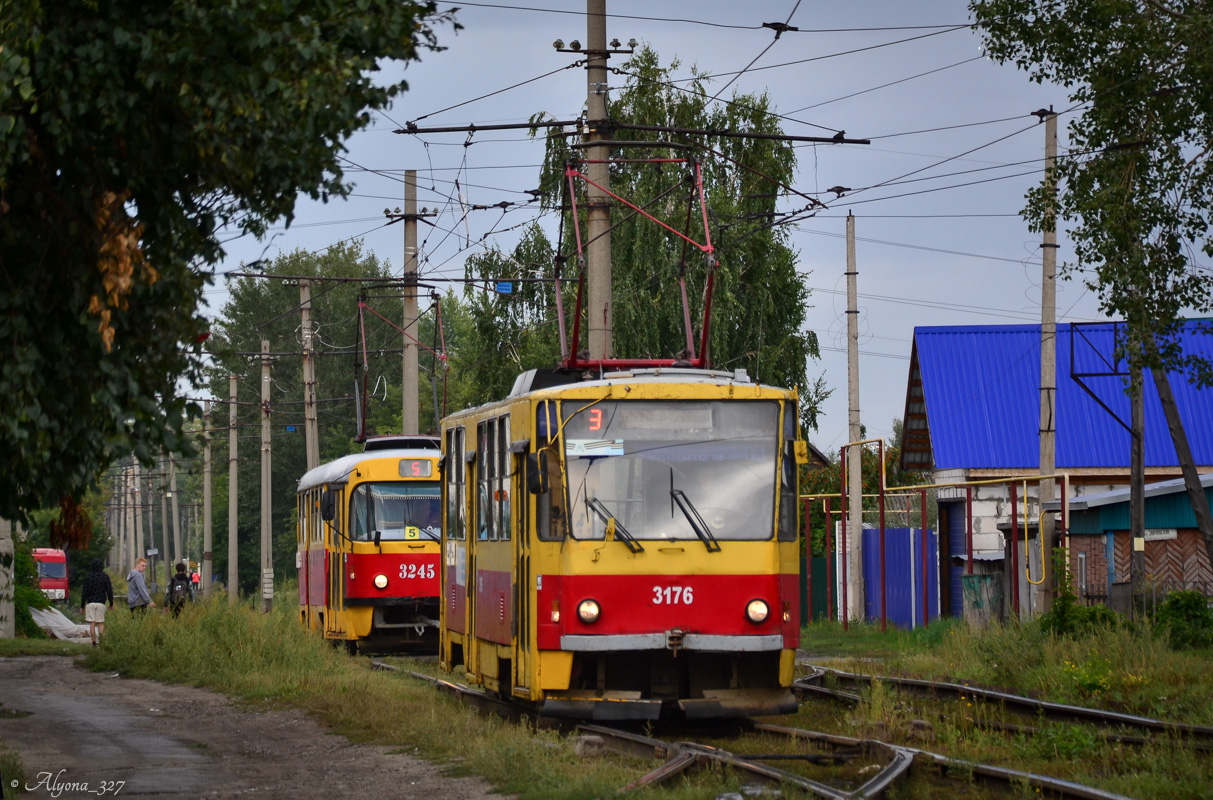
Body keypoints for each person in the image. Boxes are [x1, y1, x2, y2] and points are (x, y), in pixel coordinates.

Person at [79, 559, 114, 646]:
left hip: (90, 603)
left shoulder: (88, 577)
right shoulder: (105, 577)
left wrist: (82, 606)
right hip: (101, 603)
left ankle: (94, 642)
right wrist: (111, 603)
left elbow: (84, 592)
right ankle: (101, 641)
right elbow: (109, 591)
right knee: (101, 623)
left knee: (92, 623)